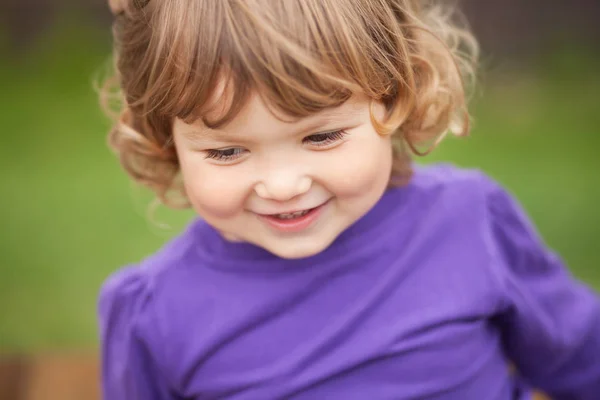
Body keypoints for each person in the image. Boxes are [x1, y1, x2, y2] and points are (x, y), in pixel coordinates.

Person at [97, 0, 600, 399]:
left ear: (396, 99)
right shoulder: (154, 312)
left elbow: (583, 360)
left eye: (320, 138)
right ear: (166, 141)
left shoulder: (468, 222)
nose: (282, 185)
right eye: (228, 150)